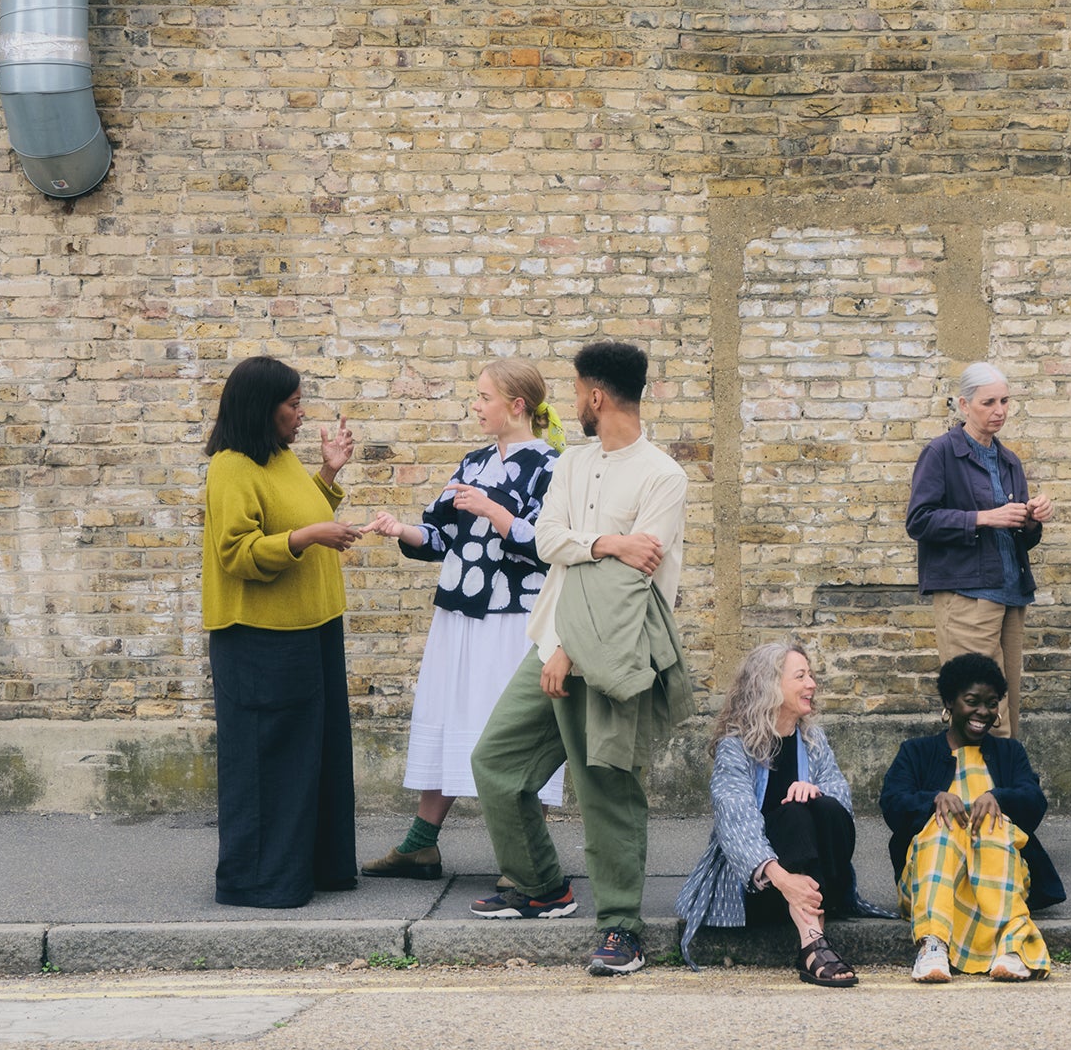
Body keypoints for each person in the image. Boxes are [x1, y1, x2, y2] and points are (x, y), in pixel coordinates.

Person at [465, 341, 691, 979]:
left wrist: (570, 641)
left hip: (614, 650)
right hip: (551, 641)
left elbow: (634, 583)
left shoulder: (661, 476)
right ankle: (540, 885)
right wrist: (608, 542)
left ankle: (622, 928)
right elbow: (545, 539)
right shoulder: (573, 462)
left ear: (596, 396)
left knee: (605, 788)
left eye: (575, 392)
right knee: (497, 762)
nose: (571, 404)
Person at [361, 363, 566, 880]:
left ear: (516, 406)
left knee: (516, 732)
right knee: (452, 716)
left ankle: (525, 862)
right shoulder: (472, 463)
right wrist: (401, 529)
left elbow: (550, 547)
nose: (475, 406)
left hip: (515, 619)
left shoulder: (551, 467)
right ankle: (419, 846)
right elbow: (439, 538)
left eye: (483, 397)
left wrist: (494, 511)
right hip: (459, 615)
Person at [200, 355, 363, 909]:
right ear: (261, 407)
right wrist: (310, 535)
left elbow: (298, 512)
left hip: (311, 626)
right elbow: (237, 553)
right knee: (269, 761)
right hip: (259, 637)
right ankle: (260, 881)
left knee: (315, 754)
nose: (301, 414)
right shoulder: (230, 466)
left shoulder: (279, 459)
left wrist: (329, 474)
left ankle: (315, 868)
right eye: (293, 405)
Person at [676, 640, 880, 987]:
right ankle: (813, 945)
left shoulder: (813, 739)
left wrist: (816, 793)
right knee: (793, 815)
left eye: (811, 675)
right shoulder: (735, 748)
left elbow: (842, 805)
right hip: (762, 891)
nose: (812, 684)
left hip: (818, 884)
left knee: (818, 804)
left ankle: (812, 936)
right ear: (770, 685)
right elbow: (735, 824)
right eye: (801, 676)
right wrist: (786, 882)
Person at [883, 652, 1063, 983]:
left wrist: (997, 798)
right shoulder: (916, 752)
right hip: (931, 875)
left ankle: (1013, 949)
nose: (983, 711)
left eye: (992, 703)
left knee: (994, 826)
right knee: (943, 825)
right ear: (950, 702)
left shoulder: (1010, 753)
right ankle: (933, 944)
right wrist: (934, 799)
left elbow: (1034, 801)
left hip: (998, 869)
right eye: (972, 701)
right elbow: (893, 804)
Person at [907, 361, 1053, 735]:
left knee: (1007, 708)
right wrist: (983, 518)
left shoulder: (1008, 461)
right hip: (966, 595)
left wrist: (1032, 518)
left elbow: (1022, 536)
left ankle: (1002, 791)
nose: (999, 410)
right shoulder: (940, 453)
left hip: (1010, 593)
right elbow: (919, 520)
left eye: (1005, 400)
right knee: (977, 707)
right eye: (988, 402)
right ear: (964, 404)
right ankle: (975, 791)